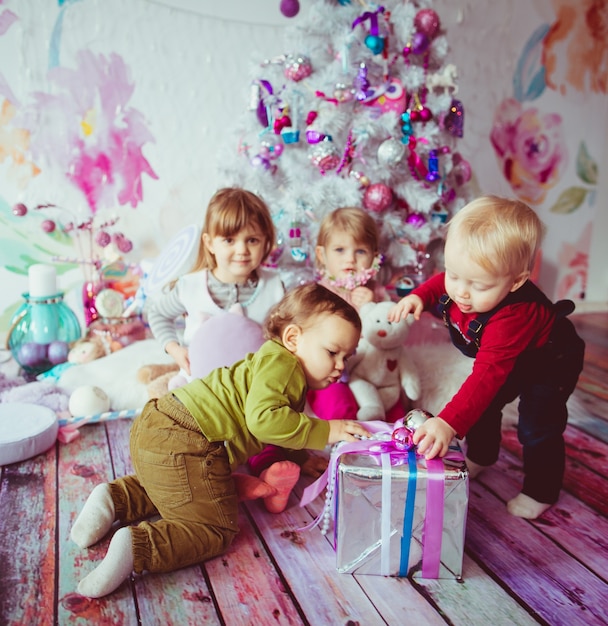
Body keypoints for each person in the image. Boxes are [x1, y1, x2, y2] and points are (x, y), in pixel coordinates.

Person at [70, 283, 371, 598]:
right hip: (187, 438)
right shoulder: (285, 366)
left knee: (181, 487)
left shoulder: (272, 364)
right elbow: (264, 421)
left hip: (160, 425)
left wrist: (300, 458)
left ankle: (116, 498)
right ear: (293, 338)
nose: (341, 366)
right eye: (332, 352)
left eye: (346, 356)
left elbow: (279, 426)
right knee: (215, 527)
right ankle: (138, 547)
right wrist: (329, 430)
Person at [388, 195, 585, 520]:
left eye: (478, 284)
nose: (461, 292)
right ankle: (483, 454)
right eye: (455, 275)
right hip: (513, 356)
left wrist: (448, 422)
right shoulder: (460, 285)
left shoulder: (514, 316)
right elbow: (440, 283)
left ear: (517, 280)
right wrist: (418, 296)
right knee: (485, 407)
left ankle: (542, 490)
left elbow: (486, 376)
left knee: (538, 425)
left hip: (551, 361)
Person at [248, 206, 389, 477]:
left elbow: (385, 336)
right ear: (322, 255)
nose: (350, 259)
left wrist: (371, 308)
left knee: (388, 403)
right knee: (337, 405)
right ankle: (344, 446)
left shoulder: (373, 294)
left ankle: (377, 442)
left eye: (360, 251)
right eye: (340, 250)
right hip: (322, 378)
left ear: (373, 257)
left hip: (365, 370)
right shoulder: (318, 296)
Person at [146, 186, 285, 390]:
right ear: (209, 243)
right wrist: (174, 349)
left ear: (266, 242)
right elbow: (158, 313)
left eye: (252, 240)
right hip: (201, 386)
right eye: (229, 240)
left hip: (256, 389)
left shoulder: (275, 287)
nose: (242, 250)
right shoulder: (190, 286)